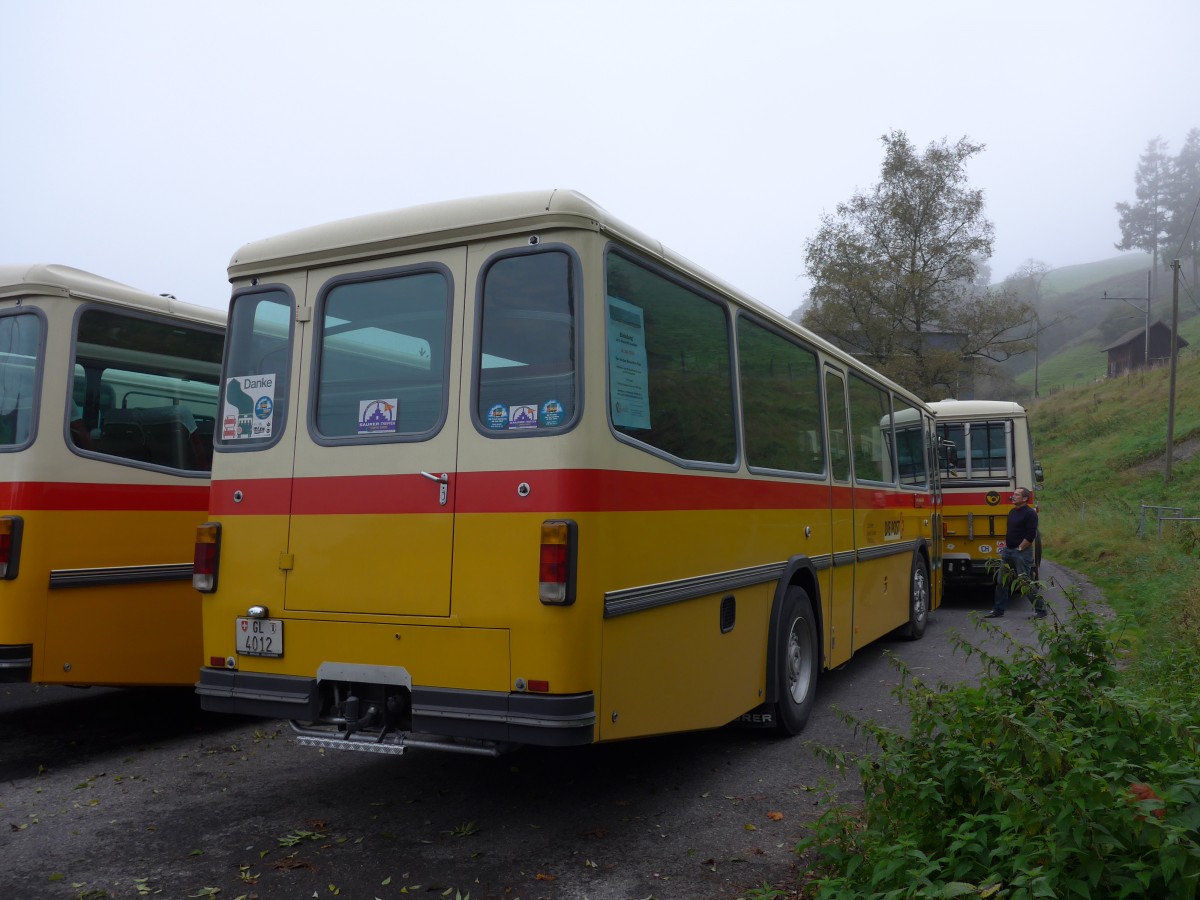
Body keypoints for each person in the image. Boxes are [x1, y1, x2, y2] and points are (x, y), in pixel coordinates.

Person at [985, 487, 1043, 618]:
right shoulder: (1012, 512)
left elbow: (1030, 535)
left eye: (1017, 495)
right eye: (1014, 494)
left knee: (1024, 581)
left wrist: (1020, 548)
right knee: (1001, 581)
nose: (1013, 496)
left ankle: (1041, 610)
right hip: (1008, 552)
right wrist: (1007, 547)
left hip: (1021, 553)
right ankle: (998, 610)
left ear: (1025, 499)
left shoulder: (1030, 514)